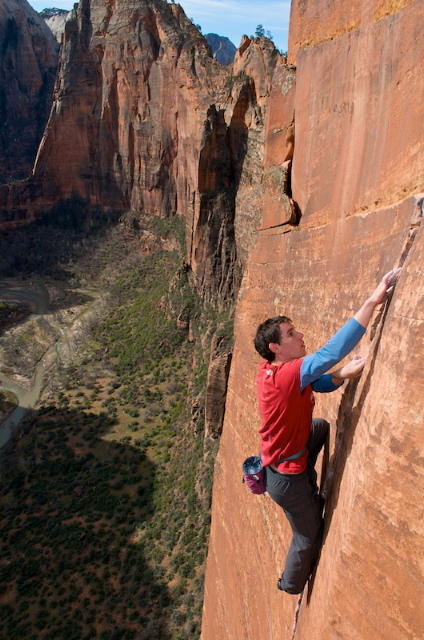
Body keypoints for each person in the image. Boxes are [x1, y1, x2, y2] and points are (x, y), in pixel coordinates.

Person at [253, 268, 401, 595]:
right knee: (309, 533)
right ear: (276, 347)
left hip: (282, 459)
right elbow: (330, 353)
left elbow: (315, 382)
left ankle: (306, 476)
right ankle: (290, 584)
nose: (300, 335)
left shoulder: (271, 370)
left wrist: (340, 376)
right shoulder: (287, 375)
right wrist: (373, 300)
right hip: (286, 480)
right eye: (292, 333)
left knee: (319, 426)